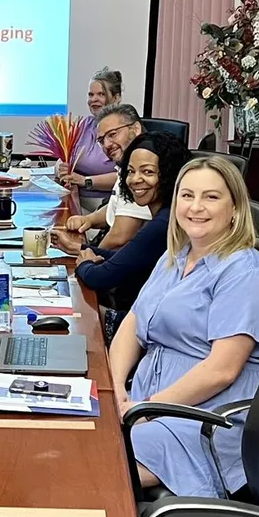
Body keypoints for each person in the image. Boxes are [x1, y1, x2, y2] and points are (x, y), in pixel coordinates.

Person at [108, 156, 259, 498]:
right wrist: (116, 387)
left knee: (98, 462)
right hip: (149, 400)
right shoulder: (175, 255)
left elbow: (222, 370)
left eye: (211, 197)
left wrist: (146, 410)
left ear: (235, 208)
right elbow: (133, 321)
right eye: (186, 196)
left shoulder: (246, 273)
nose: (196, 207)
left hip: (204, 417)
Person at [75, 132, 189, 326]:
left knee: (79, 316)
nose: (135, 179)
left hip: (139, 328)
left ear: (169, 174)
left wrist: (84, 265)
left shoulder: (164, 224)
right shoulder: (166, 214)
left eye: (147, 172)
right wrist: (79, 249)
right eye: (130, 171)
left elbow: (101, 278)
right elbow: (128, 259)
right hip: (140, 318)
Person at [53, 104, 150, 254]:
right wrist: (90, 220)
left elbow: (120, 235)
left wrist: (86, 253)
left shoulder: (143, 168)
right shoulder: (126, 166)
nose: (107, 145)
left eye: (112, 135)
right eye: (101, 140)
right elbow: (118, 205)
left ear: (136, 129)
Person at [57, 67, 126, 212]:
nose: (93, 99)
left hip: (106, 206)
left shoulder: (125, 131)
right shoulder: (83, 125)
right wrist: (60, 168)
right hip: (74, 199)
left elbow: (127, 175)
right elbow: (63, 159)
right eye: (90, 94)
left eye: (101, 94)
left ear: (116, 97)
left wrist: (84, 181)